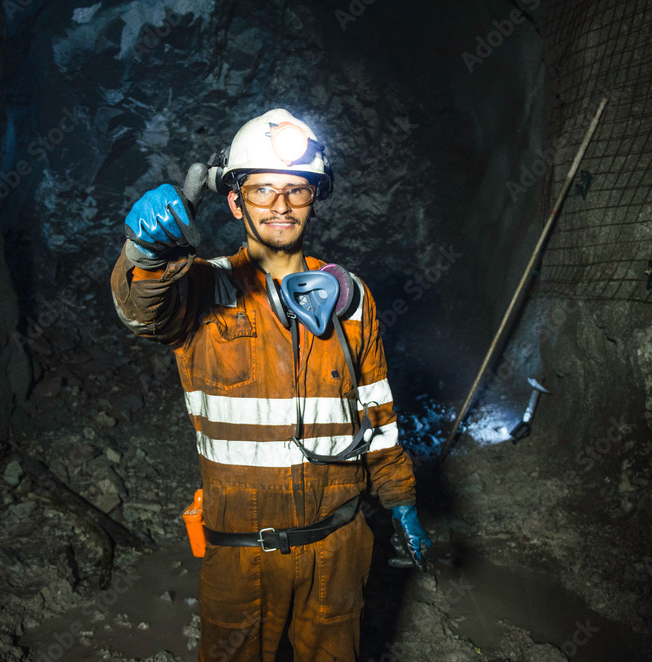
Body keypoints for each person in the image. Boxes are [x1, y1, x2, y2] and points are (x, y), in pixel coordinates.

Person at [110, 108, 430, 661]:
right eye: (261, 190)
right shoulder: (202, 287)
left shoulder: (351, 297)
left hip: (339, 548)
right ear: (235, 201)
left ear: (316, 198)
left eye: (296, 190)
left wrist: (401, 499)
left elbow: (377, 411)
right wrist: (145, 253)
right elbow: (141, 309)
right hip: (242, 557)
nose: (280, 205)